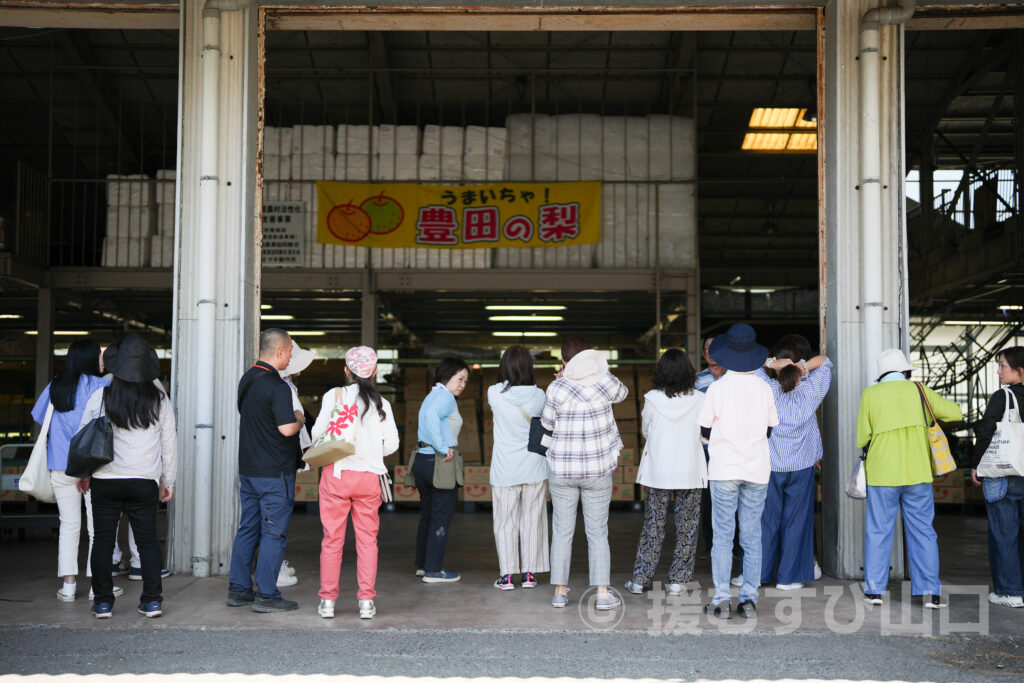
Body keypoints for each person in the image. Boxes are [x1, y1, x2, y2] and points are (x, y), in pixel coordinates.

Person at [76, 334, 176, 619]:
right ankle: (152, 601)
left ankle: (103, 603)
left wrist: (84, 473)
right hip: (143, 480)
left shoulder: (102, 394)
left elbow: (85, 435)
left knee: (102, 541)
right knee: (147, 541)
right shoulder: (159, 398)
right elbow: (169, 441)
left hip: (105, 479)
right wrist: (168, 481)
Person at [856, 348, 962, 609]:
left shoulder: (871, 394)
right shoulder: (919, 391)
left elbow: (862, 438)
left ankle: (875, 591)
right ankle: (929, 593)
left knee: (879, 531)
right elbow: (956, 414)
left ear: (881, 374)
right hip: (917, 473)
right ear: (906, 371)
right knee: (923, 531)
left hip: (882, 474)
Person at [698, 323, 779, 619]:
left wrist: (719, 439)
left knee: (722, 535)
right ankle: (748, 600)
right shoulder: (765, 388)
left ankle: (720, 599)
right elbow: (770, 429)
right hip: (756, 469)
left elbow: (704, 430)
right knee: (752, 535)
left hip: (724, 469)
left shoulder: (717, 389)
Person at [312, 346, 398, 619]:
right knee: (367, 542)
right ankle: (366, 603)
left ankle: (327, 602)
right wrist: (371, 452)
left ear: (346, 371)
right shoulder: (382, 403)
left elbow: (317, 435)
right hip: (369, 479)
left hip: (337, 475)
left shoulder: (334, 396)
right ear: (373, 372)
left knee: (332, 541)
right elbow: (392, 444)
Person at [542, 337, 628, 610]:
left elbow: (547, 423)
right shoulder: (605, 383)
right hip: (597, 469)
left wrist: (563, 378)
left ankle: (559, 592)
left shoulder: (556, 387)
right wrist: (599, 371)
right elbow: (623, 393)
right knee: (597, 532)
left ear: (564, 362)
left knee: (562, 531)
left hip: (563, 470)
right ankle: (602, 595)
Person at [31, 339, 116, 602]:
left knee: (68, 525)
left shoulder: (57, 384)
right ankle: (95, 587)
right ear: (90, 359)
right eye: (99, 356)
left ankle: (68, 586)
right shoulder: (99, 385)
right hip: (91, 467)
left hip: (60, 466)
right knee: (96, 528)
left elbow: (38, 415)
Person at [226, 328, 305, 613]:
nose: (291, 358)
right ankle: (267, 595)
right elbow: (286, 429)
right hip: (275, 473)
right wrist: (299, 416)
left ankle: (239, 589)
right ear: (281, 351)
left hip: (249, 470)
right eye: (291, 351)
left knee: (248, 527)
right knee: (273, 533)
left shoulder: (247, 379)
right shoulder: (278, 386)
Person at [625, 348, 706, 597]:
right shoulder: (700, 399)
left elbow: (647, 431)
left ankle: (640, 579)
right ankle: (678, 581)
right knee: (687, 526)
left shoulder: (651, 399)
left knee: (654, 525)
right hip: (690, 470)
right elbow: (704, 433)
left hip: (659, 471)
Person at [755, 335, 831, 591]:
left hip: (772, 466)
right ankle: (789, 578)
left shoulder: (768, 390)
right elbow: (827, 362)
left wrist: (770, 364)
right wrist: (803, 367)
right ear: (800, 363)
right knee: (797, 520)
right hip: (802, 466)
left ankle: (761, 574)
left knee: (767, 521)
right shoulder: (811, 390)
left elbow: (750, 367)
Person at [486, 345, 549, 590]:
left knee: (505, 521)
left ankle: (508, 576)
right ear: (530, 368)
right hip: (534, 465)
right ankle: (530, 575)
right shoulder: (540, 395)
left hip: (504, 469)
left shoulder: (494, 393)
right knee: (532, 520)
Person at [970, 346, 1024, 608]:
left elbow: (987, 430)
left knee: (1004, 534)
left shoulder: (1003, 396)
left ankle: (1010, 592)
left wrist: (976, 464)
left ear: (1020, 371)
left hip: (1004, 473)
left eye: (1003, 365)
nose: (999, 371)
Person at [411, 357, 470, 583]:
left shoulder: (432, 394)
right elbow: (431, 418)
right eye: (459, 379)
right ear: (446, 377)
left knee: (427, 515)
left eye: (465, 380)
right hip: (439, 462)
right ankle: (434, 570)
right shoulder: (445, 396)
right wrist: (443, 446)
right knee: (441, 517)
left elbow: (428, 416)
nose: (462, 384)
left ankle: (423, 564)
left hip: (423, 461)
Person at [276, 339, 317, 589]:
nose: (300, 372)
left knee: (275, 515)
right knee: (277, 515)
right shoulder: (282, 388)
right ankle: (274, 567)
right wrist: (300, 419)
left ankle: (276, 561)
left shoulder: (284, 385)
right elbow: (290, 424)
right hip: (281, 461)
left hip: (280, 461)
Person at [695, 337, 724, 556]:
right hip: (703, 452)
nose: (712, 353)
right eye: (708, 349)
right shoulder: (697, 381)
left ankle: (734, 546)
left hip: (730, 451)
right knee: (707, 502)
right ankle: (710, 544)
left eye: (716, 349)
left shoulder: (736, 379)